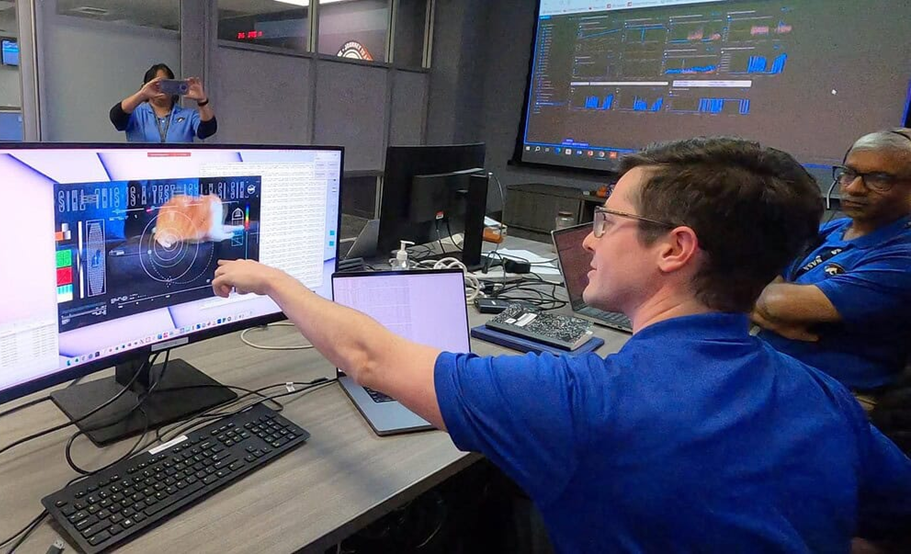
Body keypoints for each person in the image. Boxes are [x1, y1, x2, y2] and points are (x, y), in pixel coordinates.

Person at [212, 137, 911, 552]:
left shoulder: (585, 400)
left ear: (675, 249)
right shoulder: (826, 398)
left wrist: (273, 279)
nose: (593, 238)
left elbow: (368, 360)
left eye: (608, 219)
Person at [753, 129, 911, 392]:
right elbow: (751, 273)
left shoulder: (902, 253)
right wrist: (757, 304)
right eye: (849, 173)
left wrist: (757, 303)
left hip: (834, 393)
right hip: (771, 371)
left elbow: (776, 302)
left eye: (879, 179)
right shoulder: (834, 228)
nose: (854, 188)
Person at [109, 63, 217, 143]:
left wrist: (202, 101)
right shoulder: (136, 114)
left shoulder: (188, 115)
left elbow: (208, 130)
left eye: (166, 83)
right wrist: (142, 94)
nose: (162, 88)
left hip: (179, 171)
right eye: (156, 84)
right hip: (142, 171)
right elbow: (116, 116)